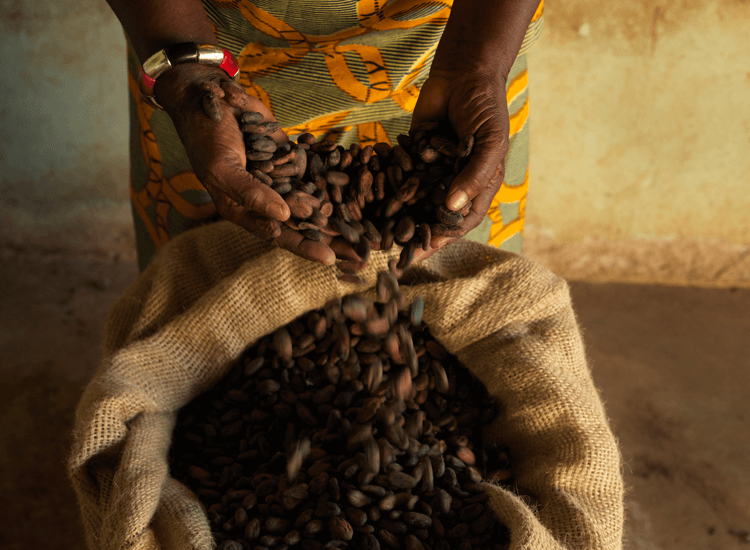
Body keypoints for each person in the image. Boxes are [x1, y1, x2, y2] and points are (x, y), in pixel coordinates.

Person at [106, 0, 544, 271]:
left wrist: (476, 63)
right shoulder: (196, 80)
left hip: (459, 46)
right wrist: (189, 76)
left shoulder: (469, 63)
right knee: (201, 279)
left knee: (449, 255)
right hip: (195, 43)